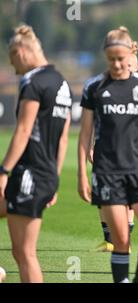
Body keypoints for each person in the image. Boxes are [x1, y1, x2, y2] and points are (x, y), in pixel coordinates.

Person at [78, 26, 138, 283]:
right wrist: (82, 175)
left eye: (121, 59)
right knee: (120, 241)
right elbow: (84, 134)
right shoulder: (94, 87)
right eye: (111, 59)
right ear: (105, 56)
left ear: (129, 55)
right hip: (107, 174)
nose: (117, 64)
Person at [0, 25, 72, 282]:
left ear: (20, 52)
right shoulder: (62, 83)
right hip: (46, 173)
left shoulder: (32, 81)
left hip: (29, 172)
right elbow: (63, 139)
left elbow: (23, 131)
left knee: (25, 252)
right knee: (23, 251)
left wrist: (3, 170)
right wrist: (55, 178)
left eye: (12, 61)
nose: (14, 68)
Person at [91, 41, 138, 253]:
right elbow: (96, 119)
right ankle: (110, 239)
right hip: (106, 147)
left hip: (131, 150)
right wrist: (91, 144)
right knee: (103, 193)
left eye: (131, 64)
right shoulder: (105, 86)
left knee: (129, 197)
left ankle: (124, 240)